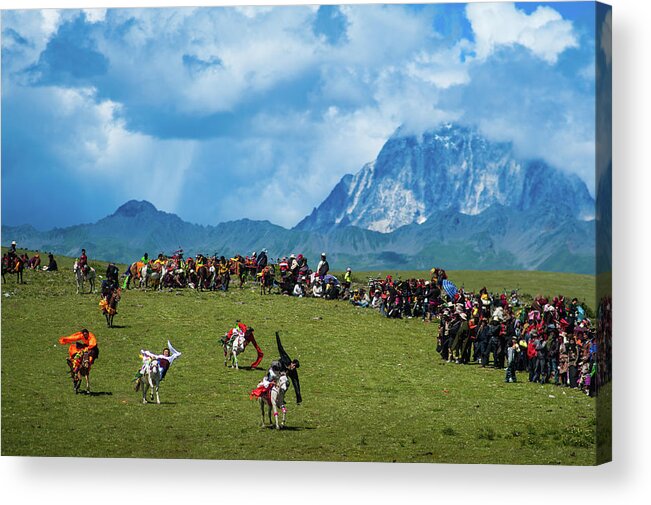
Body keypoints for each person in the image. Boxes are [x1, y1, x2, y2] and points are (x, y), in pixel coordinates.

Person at [272, 331, 302, 404]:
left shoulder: (293, 372)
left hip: (282, 375)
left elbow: (296, 383)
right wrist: (277, 336)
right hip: (276, 368)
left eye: (295, 367)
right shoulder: (286, 359)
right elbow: (280, 348)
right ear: (292, 363)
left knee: (287, 384)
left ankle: (280, 397)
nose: (294, 367)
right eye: (294, 365)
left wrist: (298, 397)